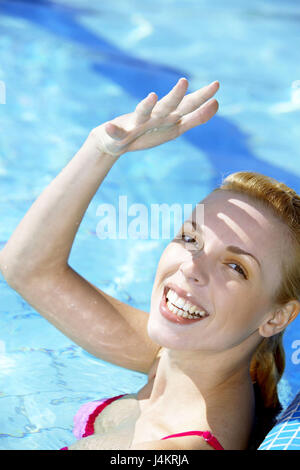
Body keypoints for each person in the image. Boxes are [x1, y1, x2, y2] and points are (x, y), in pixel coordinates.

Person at [0, 78, 299, 450]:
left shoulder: (179, 448)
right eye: (191, 239)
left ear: (277, 317)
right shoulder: (182, 358)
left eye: (236, 267)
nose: (192, 267)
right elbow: (28, 269)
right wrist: (103, 148)